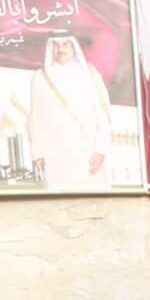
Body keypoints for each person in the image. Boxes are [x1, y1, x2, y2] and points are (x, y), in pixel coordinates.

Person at [28, 34, 114, 191]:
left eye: (65, 44)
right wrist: (37, 152)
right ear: (50, 48)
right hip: (55, 155)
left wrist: (100, 150)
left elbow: (102, 115)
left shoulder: (89, 74)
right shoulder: (40, 77)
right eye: (56, 45)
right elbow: (36, 118)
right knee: (61, 207)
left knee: (95, 204)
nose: (60, 49)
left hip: (87, 152)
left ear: (73, 47)